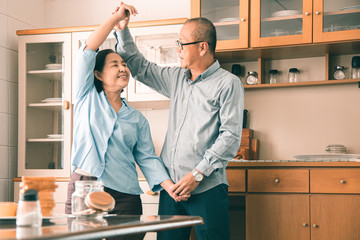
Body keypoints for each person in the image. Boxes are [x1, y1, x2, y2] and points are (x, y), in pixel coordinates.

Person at [114, 4, 244, 240]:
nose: (177, 50)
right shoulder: (176, 78)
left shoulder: (228, 83)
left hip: (207, 188)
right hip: (172, 191)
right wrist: (123, 30)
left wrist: (196, 175)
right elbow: (140, 67)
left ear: (202, 47)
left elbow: (231, 137)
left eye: (182, 44)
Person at [65, 3, 186, 220]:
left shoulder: (137, 119)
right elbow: (88, 51)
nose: (123, 68)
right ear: (98, 75)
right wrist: (115, 20)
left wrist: (169, 187)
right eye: (114, 65)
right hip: (85, 189)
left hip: (125, 195)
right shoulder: (86, 97)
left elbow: (148, 158)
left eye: (124, 64)